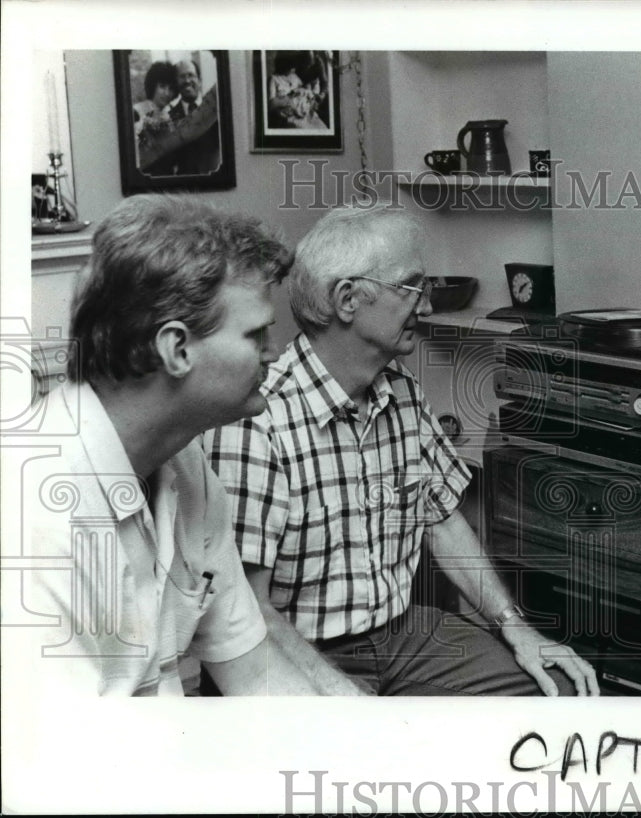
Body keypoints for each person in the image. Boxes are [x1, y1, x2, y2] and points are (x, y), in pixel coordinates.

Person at [203, 205, 600, 696]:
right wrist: (342, 695)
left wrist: (516, 627)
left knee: (553, 691)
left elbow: (445, 521)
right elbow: (246, 608)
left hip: (402, 638)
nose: (427, 306)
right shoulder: (258, 420)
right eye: (411, 288)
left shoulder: (401, 390)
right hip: (298, 650)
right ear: (347, 299)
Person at [20, 194, 352, 696]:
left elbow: (255, 675)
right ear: (175, 348)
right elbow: (69, 767)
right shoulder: (33, 512)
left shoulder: (185, 464)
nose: (273, 351)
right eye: (255, 334)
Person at [165, 58, 221, 175]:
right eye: (182, 76)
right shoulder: (168, 117)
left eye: (191, 75)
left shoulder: (216, 110)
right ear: (176, 83)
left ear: (199, 80)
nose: (187, 80)